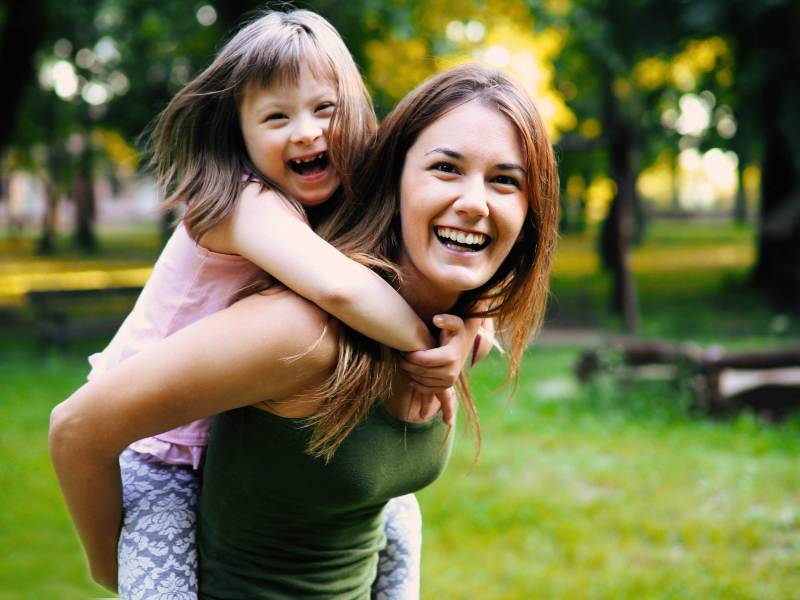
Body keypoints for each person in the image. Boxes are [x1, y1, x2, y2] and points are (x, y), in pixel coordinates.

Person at [50, 63, 560, 598]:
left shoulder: (455, 331)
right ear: (394, 177)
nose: (475, 203)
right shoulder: (303, 334)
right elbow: (77, 429)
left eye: (505, 180)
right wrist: (109, 565)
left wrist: (466, 333)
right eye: (446, 168)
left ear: (531, 211)